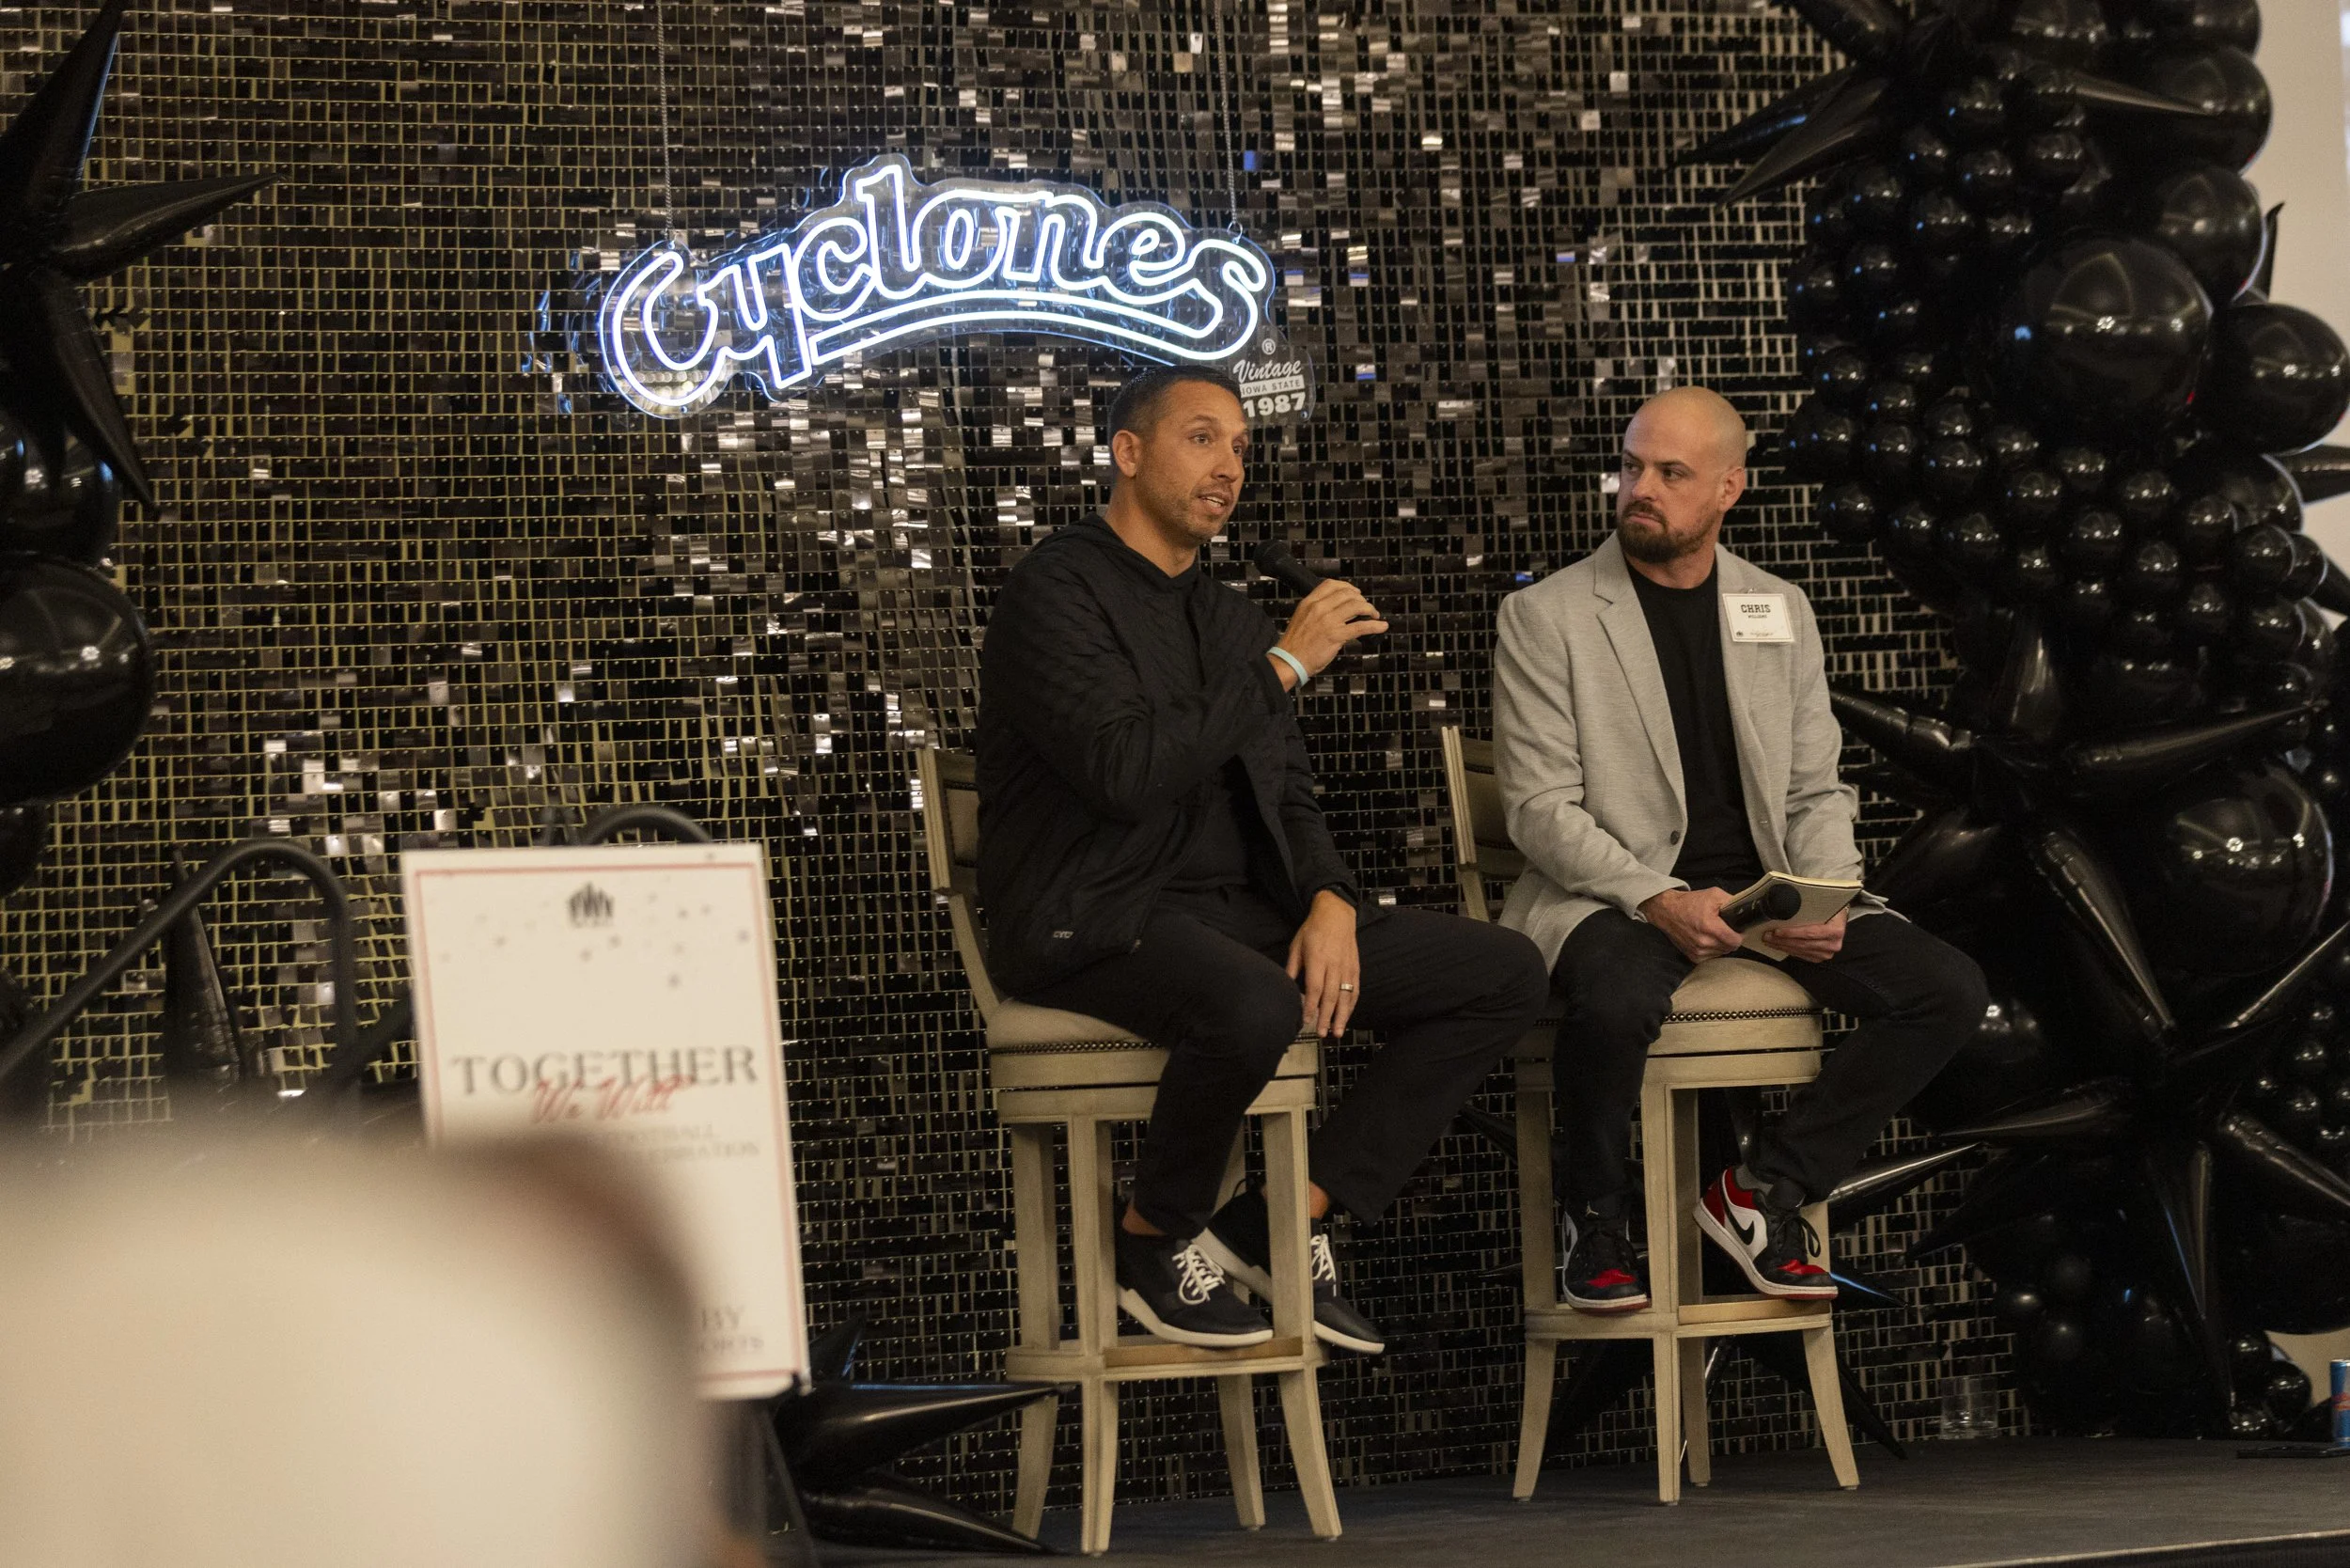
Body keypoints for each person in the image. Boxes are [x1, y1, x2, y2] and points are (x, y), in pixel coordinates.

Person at [978, 365, 1550, 1354]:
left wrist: (1328, 898)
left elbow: (1285, 792)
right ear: (1127, 453)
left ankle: (1284, 1222)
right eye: (1202, 438)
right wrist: (1283, 665)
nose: (1229, 466)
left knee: (1501, 973)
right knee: (1254, 1002)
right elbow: (1123, 772)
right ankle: (1152, 1240)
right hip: (1094, 915)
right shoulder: (1055, 591)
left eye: (1240, 447)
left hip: (1237, 911)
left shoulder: (1227, 615)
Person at [1493, 386, 1986, 1310]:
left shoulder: (1778, 609)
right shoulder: (1547, 617)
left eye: (1669, 473)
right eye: (1633, 465)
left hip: (1760, 891)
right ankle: (1593, 1218)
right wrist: (1655, 897)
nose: (1641, 488)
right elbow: (1538, 810)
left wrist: (1822, 895)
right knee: (1614, 994)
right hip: (1616, 891)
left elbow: (1812, 789)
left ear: (1728, 488)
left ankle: (1764, 1192)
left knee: (1946, 988)